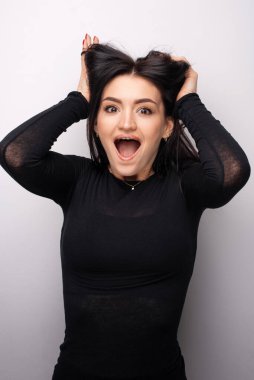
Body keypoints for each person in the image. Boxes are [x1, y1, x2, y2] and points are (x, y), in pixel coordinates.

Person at [0, 33, 251, 380]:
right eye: (111, 108)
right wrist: (80, 97)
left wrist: (188, 99)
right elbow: (15, 154)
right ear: (97, 122)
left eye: (145, 110)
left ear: (166, 126)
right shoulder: (76, 179)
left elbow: (230, 173)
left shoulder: (185, 185)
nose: (127, 123)